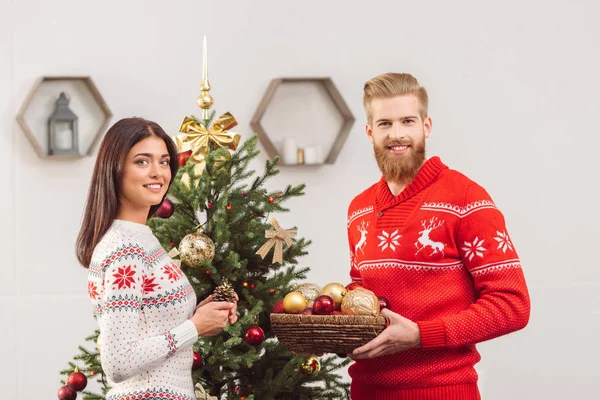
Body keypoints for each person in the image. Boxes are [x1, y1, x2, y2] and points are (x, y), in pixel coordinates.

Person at [346, 73, 530, 399]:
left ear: (426, 127)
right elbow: (361, 295)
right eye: (385, 124)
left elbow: (512, 304)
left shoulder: (466, 199)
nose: (397, 134)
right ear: (370, 132)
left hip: (444, 391)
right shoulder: (358, 209)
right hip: (366, 391)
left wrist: (421, 335)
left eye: (408, 121)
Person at [76, 117, 237, 400]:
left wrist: (201, 315)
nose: (157, 173)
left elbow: (148, 320)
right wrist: (195, 327)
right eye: (142, 161)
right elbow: (118, 363)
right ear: (114, 169)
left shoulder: (140, 237)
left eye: (164, 162)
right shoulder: (124, 249)